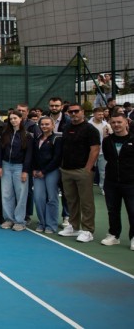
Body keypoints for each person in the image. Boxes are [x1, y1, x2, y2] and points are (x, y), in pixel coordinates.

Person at [58, 103, 101, 243]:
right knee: (71, 200)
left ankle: (88, 230)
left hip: (83, 171)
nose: (74, 114)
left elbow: (95, 149)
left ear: (82, 112)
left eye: (76, 111)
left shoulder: (90, 129)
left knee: (86, 202)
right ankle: (74, 226)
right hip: (66, 170)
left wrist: (87, 169)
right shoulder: (67, 127)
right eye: (71, 112)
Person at [99, 112, 134, 249]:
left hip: (130, 182)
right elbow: (108, 158)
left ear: (126, 122)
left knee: (132, 211)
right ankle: (114, 235)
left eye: (119, 122)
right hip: (111, 182)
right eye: (113, 122)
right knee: (112, 210)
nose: (116, 125)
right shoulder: (107, 140)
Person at [0, 111, 33, 232]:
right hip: (6, 166)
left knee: (21, 195)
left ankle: (20, 221)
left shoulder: (27, 135)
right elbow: (0, 151)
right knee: (6, 194)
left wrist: (25, 171)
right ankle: (9, 219)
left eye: (15, 118)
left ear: (21, 119)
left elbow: (28, 155)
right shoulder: (5, 134)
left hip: (20, 167)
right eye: (11, 119)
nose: (13, 120)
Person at [32, 116, 63, 234]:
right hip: (37, 172)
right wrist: (34, 169)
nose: (44, 126)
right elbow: (34, 156)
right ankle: (42, 222)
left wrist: (44, 171)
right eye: (42, 124)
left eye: (47, 124)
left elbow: (57, 158)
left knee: (52, 198)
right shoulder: (37, 138)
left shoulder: (57, 139)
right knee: (38, 198)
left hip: (51, 172)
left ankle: (51, 224)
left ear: (53, 125)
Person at [89, 107, 112, 194]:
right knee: (89, 171)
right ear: (94, 114)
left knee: (103, 172)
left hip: (103, 152)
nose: (101, 116)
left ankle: (103, 188)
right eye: (99, 114)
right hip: (90, 152)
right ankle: (88, 187)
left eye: (102, 114)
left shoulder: (106, 124)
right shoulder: (88, 124)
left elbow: (111, 136)